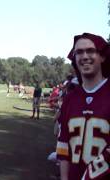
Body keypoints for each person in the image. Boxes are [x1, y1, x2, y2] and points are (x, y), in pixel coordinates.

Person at [56, 33, 110, 180]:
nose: (84, 56)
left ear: (102, 56)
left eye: (90, 51)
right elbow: (64, 146)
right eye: (79, 52)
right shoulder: (70, 99)